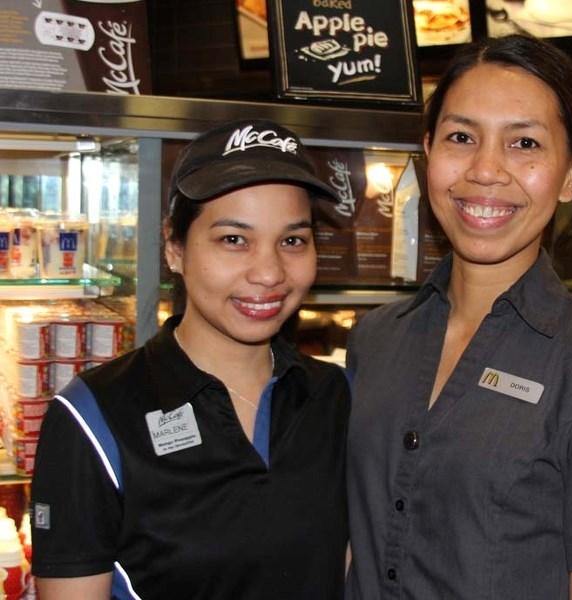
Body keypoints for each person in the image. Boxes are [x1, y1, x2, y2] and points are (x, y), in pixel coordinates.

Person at [345, 34, 572, 600]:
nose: (486, 169)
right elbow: (357, 544)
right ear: (428, 154)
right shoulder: (375, 340)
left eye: (524, 142)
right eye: (461, 137)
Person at [29, 118, 351, 599]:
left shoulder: (337, 397)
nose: (269, 273)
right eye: (233, 239)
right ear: (174, 247)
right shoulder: (93, 418)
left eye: (292, 241)